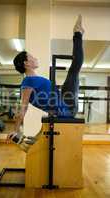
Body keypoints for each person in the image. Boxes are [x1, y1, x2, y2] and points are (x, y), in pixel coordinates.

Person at [7, 15, 84, 144]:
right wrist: (16, 130)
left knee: (75, 68)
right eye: (32, 57)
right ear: (26, 63)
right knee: (75, 66)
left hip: (64, 99)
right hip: (67, 108)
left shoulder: (33, 79)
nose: (35, 58)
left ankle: (78, 33)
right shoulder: (28, 82)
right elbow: (23, 108)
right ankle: (78, 33)